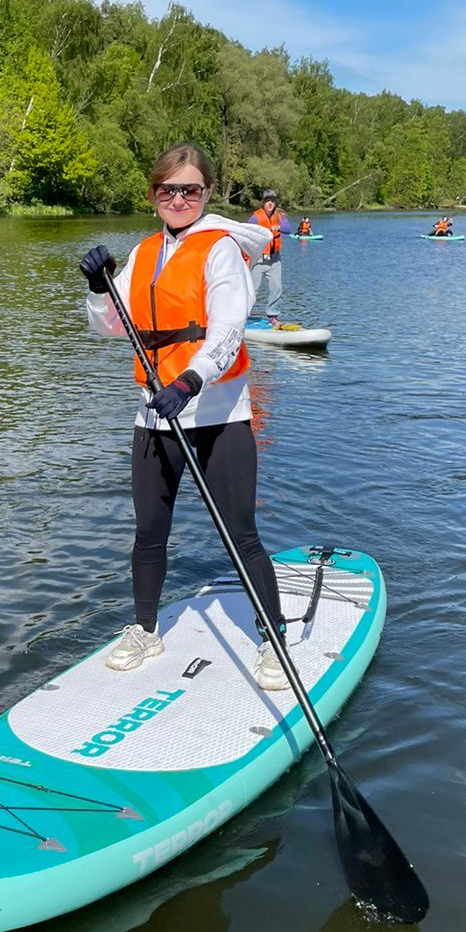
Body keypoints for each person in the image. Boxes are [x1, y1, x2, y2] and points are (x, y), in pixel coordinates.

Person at [78, 142, 287, 688]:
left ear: (207, 194)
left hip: (218, 411)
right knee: (149, 532)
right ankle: (145, 630)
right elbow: (109, 325)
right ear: (153, 195)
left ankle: (273, 638)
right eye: (168, 189)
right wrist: (100, 288)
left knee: (241, 532)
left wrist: (190, 380)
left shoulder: (220, 250)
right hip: (155, 414)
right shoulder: (144, 252)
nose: (178, 198)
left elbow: (226, 331)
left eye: (189, 190)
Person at [249, 189, 286, 323]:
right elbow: (247, 232)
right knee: (253, 289)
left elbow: (287, 229)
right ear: (263, 203)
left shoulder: (280, 216)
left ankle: (273, 316)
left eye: (272, 201)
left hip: (274, 260)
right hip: (258, 259)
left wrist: (278, 227)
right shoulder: (256, 217)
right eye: (267, 201)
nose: (270, 203)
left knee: (277, 287)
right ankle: (242, 315)